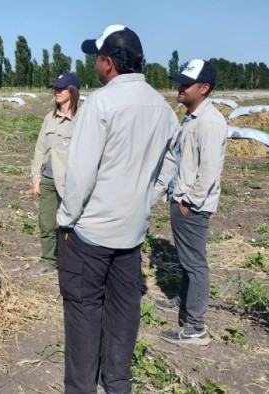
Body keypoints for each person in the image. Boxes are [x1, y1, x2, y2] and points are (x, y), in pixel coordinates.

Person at [56, 25, 179, 393]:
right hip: (131, 235)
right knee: (124, 315)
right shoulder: (162, 107)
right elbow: (171, 164)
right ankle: (117, 384)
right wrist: (146, 198)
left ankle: (81, 388)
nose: (95, 64)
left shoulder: (102, 104)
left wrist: (65, 220)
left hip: (90, 235)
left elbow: (80, 175)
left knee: (83, 317)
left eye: (97, 58)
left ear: (109, 63)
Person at [153, 59, 227, 346]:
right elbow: (176, 160)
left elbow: (209, 170)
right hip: (181, 199)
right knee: (187, 260)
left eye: (187, 83)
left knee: (195, 264)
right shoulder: (192, 118)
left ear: (204, 88)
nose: (180, 87)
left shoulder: (209, 122)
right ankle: (183, 302)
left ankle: (195, 327)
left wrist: (189, 202)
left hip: (191, 206)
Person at [28, 72, 81, 277]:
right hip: (48, 180)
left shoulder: (81, 120)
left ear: (73, 91)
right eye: (55, 88)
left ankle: (73, 262)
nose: (56, 92)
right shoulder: (49, 119)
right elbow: (39, 149)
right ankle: (48, 261)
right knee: (46, 223)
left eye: (61, 88)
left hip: (70, 182)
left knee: (72, 223)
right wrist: (36, 178)